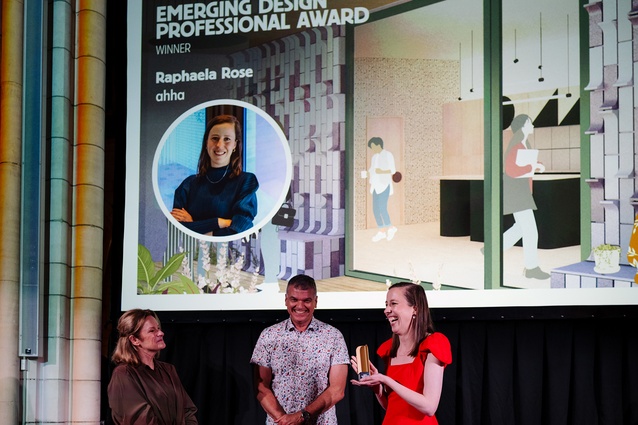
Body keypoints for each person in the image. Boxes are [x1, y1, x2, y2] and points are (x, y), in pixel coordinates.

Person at [251, 274, 349, 424]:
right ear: (286, 300)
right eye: (294, 299)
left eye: (307, 300)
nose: (300, 306)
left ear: (315, 302)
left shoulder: (333, 336)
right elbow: (261, 386)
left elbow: (337, 389)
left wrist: (301, 417)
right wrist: (284, 420)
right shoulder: (269, 336)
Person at [350, 282, 451, 425]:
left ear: (415, 308)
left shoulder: (434, 344)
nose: (386, 310)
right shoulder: (390, 349)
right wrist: (378, 388)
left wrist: (386, 380)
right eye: (386, 304)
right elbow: (392, 407)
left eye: (393, 304)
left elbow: (429, 407)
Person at [171, 114, 259, 236]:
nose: (219, 145)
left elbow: (239, 230)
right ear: (206, 143)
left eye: (227, 139)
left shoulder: (246, 182)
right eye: (215, 138)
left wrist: (194, 224)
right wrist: (220, 222)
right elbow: (178, 231)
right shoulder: (188, 184)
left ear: (235, 145)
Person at [107, 309, 198, 424]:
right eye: (152, 330)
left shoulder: (169, 370)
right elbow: (140, 420)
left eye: (158, 328)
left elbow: (188, 411)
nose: (161, 333)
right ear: (134, 340)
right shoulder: (124, 374)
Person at [502, 114, 549, 279]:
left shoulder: (523, 144)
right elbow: (511, 170)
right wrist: (532, 165)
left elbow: (523, 166)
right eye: (530, 122)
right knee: (530, 231)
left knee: (521, 228)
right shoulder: (517, 146)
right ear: (523, 126)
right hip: (518, 194)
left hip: (521, 193)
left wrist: (536, 165)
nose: (533, 125)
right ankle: (531, 268)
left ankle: (493, 248)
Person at [367, 137, 398, 242]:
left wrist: (382, 171)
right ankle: (381, 230)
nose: (372, 150)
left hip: (384, 185)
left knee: (382, 207)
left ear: (378, 145)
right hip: (375, 185)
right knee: (375, 209)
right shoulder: (374, 157)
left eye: (373, 147)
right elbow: (372, 169)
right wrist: (367, 173)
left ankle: (391, 227)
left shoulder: (388, 155)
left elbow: (393, 170)